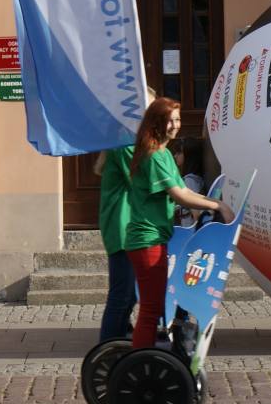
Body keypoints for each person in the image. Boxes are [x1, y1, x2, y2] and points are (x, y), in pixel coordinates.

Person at [125, 97, 234, 350]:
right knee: (152, 308)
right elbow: (180, 195)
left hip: (157, 238)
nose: (175, 125)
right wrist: (218, 205)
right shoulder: (153, 156)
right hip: (146, 240)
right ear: (156, 122)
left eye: (177, 119)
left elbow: (187, 191)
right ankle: (141, 359)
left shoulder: (163, 153)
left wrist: (213, 201)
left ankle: (148, 355)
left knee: (157, 304)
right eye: (170, 120)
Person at [94, 88, 156, 342]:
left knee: (129, 293)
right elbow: (147, 181)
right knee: (122, 294)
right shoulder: (127, 142)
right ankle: (107, 345)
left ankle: (119, 338)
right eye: (150, 109)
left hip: (127, 225)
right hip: (123, 226)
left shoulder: (132, 140)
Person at [170, 137, 206, 227]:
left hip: (189, 233)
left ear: (189, 155)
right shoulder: (194, 177)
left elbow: (196, 214)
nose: (175, 156)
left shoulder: (190, 181)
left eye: (179, 153)